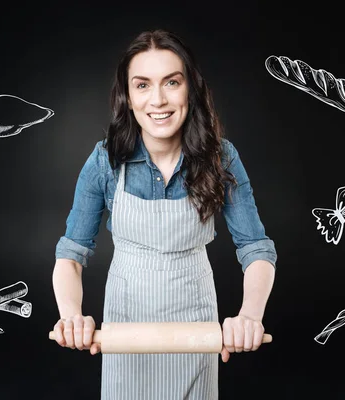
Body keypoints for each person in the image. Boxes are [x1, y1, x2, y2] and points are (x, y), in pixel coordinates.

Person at [51, 29, 277, 399]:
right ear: (127, 96)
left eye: (171, 82)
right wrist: (71, 315)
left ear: (191, 88)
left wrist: (249, 316)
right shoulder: (104, 162)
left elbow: (256, 249)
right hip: (127, 325)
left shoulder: (222, 157)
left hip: (195, 324)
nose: (158, 100)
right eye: (142, 85)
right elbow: (71, 255)